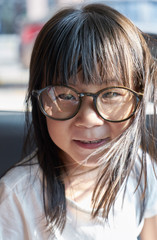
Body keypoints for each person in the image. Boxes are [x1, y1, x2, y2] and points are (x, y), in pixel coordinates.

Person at [0, 2, 157, 240]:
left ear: (138, 96)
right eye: (65, 95)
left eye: (112, 94)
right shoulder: (15, 198)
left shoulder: (141, 171)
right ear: (38, 97)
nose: (88, 119)